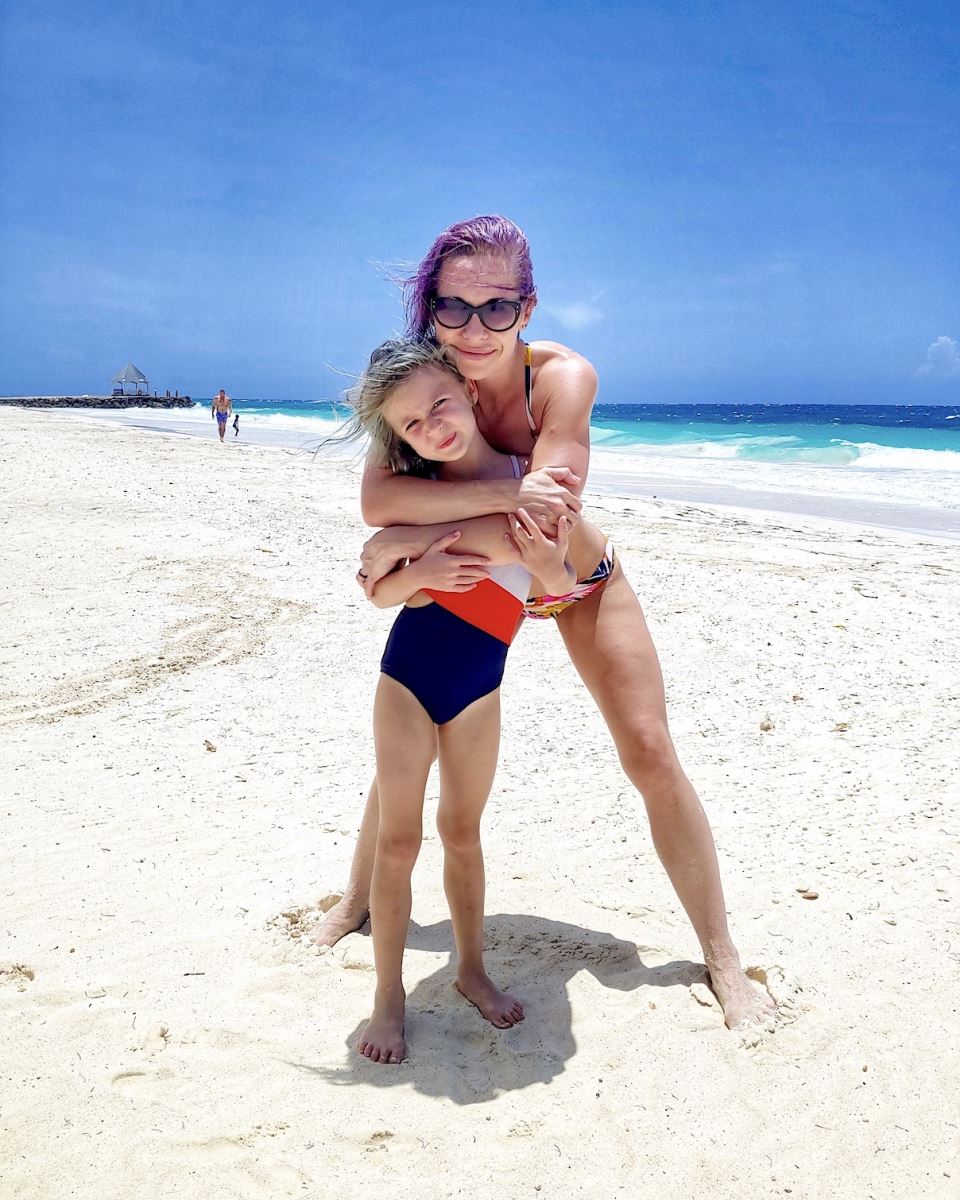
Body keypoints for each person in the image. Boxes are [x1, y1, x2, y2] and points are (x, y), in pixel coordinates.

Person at [317, 215, 775, 1030]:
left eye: (498, 308)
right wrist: (461, 509)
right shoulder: (419, 383)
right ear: (430, 310)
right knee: (417, 716)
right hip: (478, 580)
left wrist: (399, 542)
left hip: (571, 582)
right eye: (455, 308)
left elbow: (549, 527)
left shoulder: (563, 379)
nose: (474, 328)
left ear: (528, 308)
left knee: (648, 748)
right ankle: (357, 899)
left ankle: (724, 957)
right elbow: (376, 500)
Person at [343, 338, 574, 1065]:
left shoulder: (525, 474)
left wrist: (540, 569)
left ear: (472, 395)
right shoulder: (423, 494)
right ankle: (388, 996)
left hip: (482, 686)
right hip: (406, 678)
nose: (433, 426)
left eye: (441, 403)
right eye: (414, 424)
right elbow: (380, 593)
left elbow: (554, 582)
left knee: (464, 832)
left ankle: (471, 969)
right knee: (399, 840)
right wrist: (426, 567)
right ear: (404, 441)